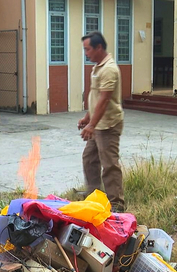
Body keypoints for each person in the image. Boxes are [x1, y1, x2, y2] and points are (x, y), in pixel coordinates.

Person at [77, 31, 126, 213]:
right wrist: (87, 118)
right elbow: (96, 98)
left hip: (108, 125)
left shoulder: (109, 69)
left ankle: (116, 203)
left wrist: (91, 125)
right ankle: (94, 194)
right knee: (89, 159)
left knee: (109, 164)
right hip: (98, 124)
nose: (86, 53)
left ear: (99, 48)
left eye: (87, 49)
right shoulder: (98, 67)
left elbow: (105, 100)